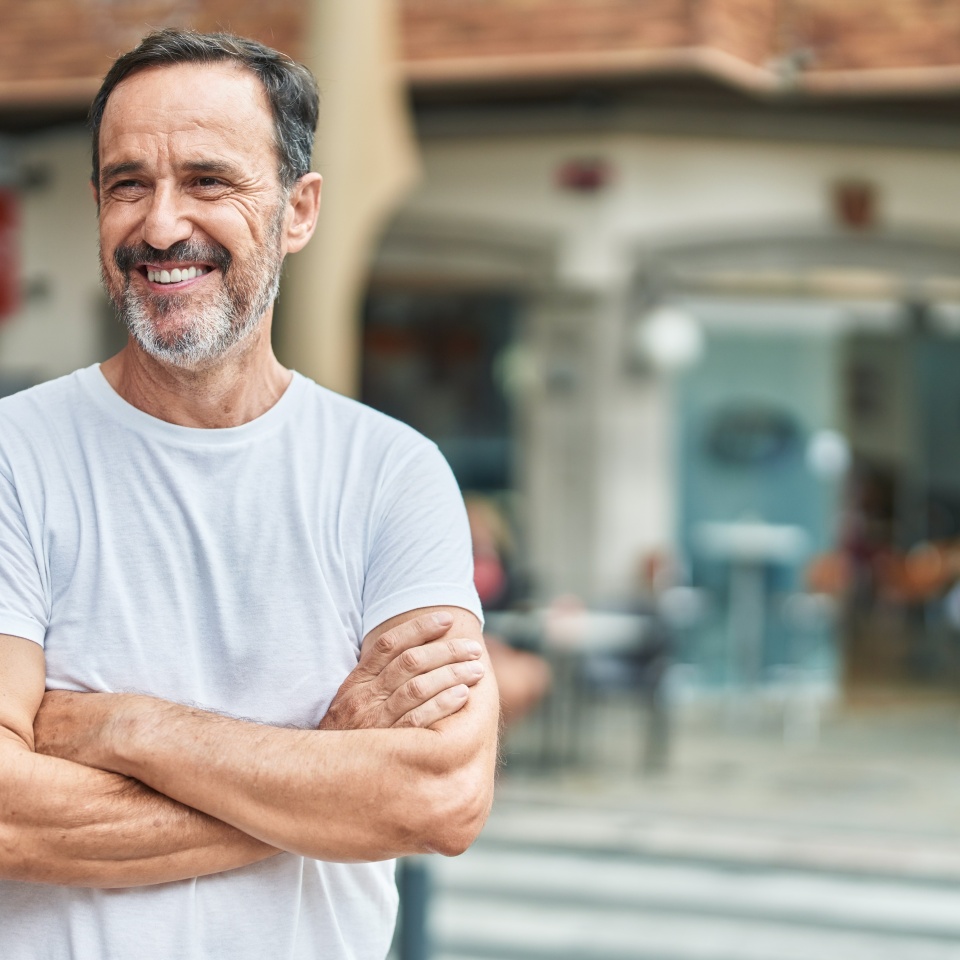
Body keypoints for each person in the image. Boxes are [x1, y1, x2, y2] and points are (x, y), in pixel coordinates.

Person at [0, 29, 499, 960]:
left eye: (208, 180)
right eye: (126, 184)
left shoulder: (392, 474)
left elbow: (438, 797)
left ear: (298, 210)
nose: (159, 225)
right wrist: (329, 769)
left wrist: (119, 724)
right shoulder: (13, 459)